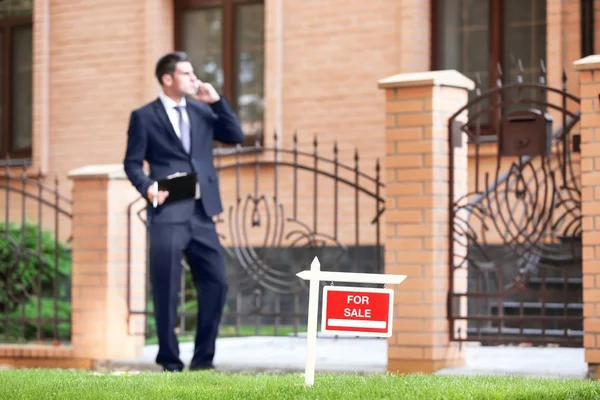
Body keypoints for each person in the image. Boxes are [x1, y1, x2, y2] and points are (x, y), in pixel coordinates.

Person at [123, 51, 245, 372]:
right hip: (168, 212)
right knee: (165, 286)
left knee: (216, 282)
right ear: (167, 78)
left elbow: (235, 135)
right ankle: (170, 360)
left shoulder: (202, 111)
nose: (195, 79)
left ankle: (203, 360)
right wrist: (146, 186)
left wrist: (216, 101)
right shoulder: (144, 117)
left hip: (203, 213)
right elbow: (132, 163)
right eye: (187, 74)